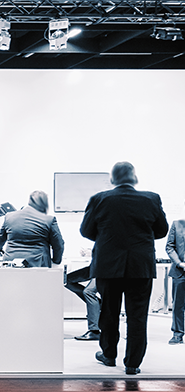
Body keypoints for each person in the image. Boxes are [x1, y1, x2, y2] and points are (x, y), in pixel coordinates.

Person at [80, 161, 168, 375]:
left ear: (112, 179)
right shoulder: (151, 199)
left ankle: (109, 355)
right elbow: (162, 231)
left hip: (108, 266)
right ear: (134, 177)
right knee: (138, 315)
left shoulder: (99, 199)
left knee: (109, 312)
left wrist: (106, 237)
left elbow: (86, 231)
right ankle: (133, 363)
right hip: (140, 266)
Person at [0, 190, 64, 268]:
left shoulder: (9, 217)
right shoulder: (49, 220)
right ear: (44, 204)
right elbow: (59, 245)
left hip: (10, 264)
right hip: (38, 265)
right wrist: (56, 261)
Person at [64, 262, 101, 341]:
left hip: (103, 268)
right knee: (66, 280)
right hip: (94, 266)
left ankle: (94, 331)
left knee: (89, 292)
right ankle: (97, 305)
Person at [166, 205, 185, 345]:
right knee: (178, 305)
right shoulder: (177, 224)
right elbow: (169, 246)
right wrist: (179, 263)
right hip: (180, 271)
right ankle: (177, 334)